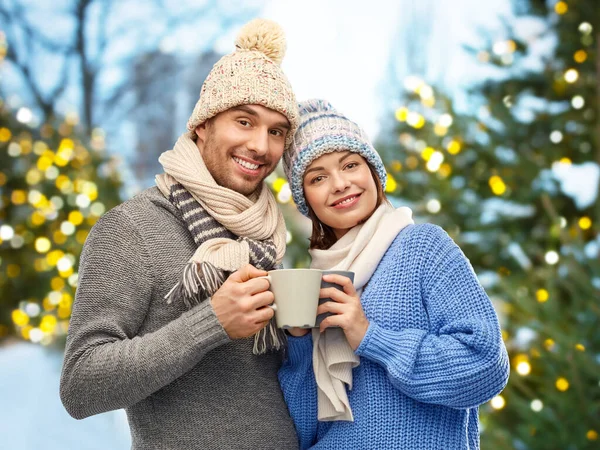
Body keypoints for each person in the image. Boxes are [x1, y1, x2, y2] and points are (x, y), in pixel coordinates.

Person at [60, 19, 301, 449]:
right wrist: (212, 323)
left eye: (276, 131)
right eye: (244, 121)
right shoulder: (130, 228)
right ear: (203, 125)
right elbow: (80, 384)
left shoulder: (264, 234)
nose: (262, 146)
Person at [278, 99, 510, 449]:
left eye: (350, 164)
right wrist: (297, 343)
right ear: (306, 199)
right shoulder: (318, 279)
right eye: (318, 177)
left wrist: (369, 336)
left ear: (373, 171)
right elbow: (308, 429)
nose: (339, 184)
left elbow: (486, 366)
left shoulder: (423, 247)